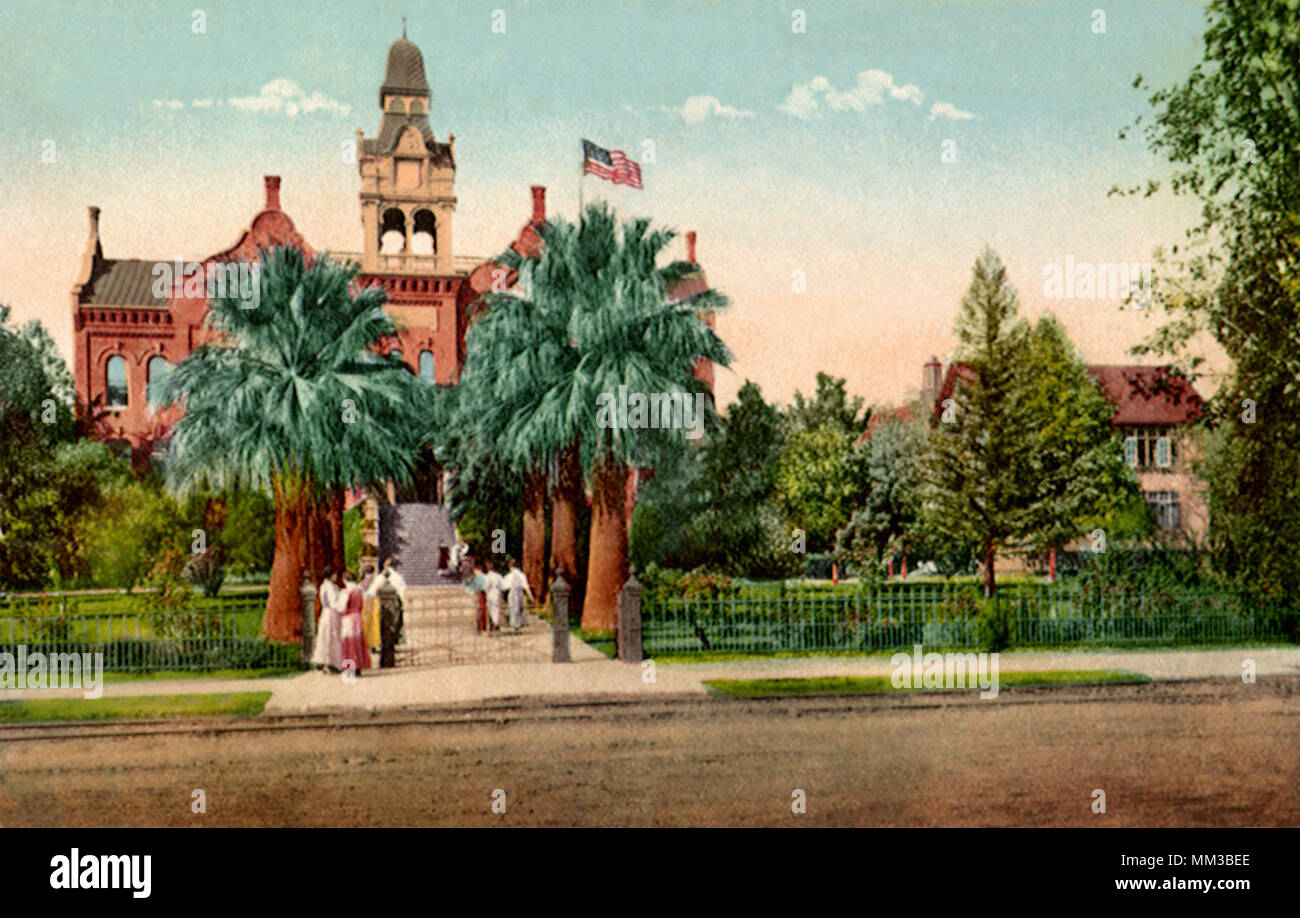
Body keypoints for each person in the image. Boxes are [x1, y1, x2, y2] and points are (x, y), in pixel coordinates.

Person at [310, 569, 345, 671]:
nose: (336, 577)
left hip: (326, 612)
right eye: (334, 575)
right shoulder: (330, 587)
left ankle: (322, 660)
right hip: (332, 613)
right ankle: (332, 662)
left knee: (324, 636)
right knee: (332, 637)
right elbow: (334, 602)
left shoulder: (324, 585)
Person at [338, 569, 371, 676]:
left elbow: (342, 607)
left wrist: (339, 610)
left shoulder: (346, 591)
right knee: (357, 641)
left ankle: (350, 667)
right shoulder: (359, 589)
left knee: (349, 642)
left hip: (348, 617)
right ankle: (359, 666)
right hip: (357, 616)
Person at [503, 557, 535, 630]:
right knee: (519, 607)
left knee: (513, 607)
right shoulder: (521, 575)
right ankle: (519, 623)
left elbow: (504, 586)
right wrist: (531, 596)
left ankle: (515, 623)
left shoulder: (509, 576)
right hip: (519, 593)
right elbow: (526, 586)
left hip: (512, 593)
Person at [359, 562, 381, 653]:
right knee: (374, 624)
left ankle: (368, 644)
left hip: (365, 603)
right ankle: (374, 644)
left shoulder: (362, 582)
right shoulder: (374, 580)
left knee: (367, 624)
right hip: (373, 602)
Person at [483, 559, 504, 631]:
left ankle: (494, 624)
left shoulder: (487, 577)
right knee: (497, 610)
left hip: (490, 595)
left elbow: (486, 586)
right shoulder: (498, 576)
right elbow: (503, 586)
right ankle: (496, 623)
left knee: (491, 610)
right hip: (497, 594)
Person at [467, 562, 488, 632]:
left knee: (480, 611)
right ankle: (483, 627)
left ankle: (481, 627)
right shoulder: (485, 576)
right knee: (483, 611)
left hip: (481, 595)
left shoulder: (478, 578)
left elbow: (471, 589)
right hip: (484, 594)